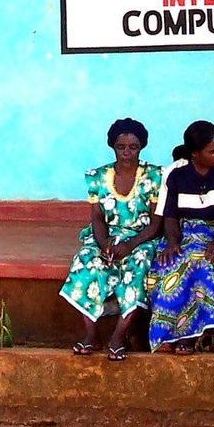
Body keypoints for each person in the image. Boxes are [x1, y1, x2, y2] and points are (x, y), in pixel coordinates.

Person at [59, 117, 163, 361]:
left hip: (142, 238)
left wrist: (130, 245)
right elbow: (97, 218)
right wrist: (104, 243)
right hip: (108, 237)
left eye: (133, 147)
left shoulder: (155, 176)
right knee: (86, 262)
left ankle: (118, 336)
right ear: (112, 146)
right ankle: (92, 333)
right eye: (121, 147)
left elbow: (157, 223)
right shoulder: (97, 177)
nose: (127, 152)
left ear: (142, 147)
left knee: (136, 268)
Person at [147, 120, 214, 354]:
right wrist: (172, 242)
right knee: (171, 266)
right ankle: (170, 335)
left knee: (205, 264)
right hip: (185, 233)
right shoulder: (176, 174)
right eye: (212, 151)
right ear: (194, 154)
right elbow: (169, 216)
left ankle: (197, 335)